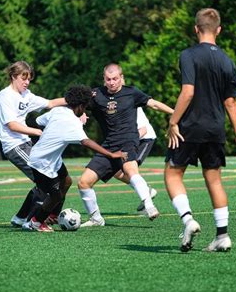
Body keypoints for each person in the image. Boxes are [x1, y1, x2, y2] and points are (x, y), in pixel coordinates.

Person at [164, 8, 236, 253]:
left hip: (190, 127)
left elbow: (188, 91)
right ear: (219, 30)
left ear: (196, 29)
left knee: (172, 175)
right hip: (215, 129)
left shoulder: (188, 55)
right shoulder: (227, 60)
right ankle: (222, 236)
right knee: (214, 179)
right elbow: (230, 102)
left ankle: (188, 220)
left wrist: (173, 122)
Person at [78, 63, 174, 227]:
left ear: (121, 78)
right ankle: (96, 219)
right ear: (104, 79)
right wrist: (81, 113)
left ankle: (149, 205)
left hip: (128, 140)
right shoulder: (96, 94)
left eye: (115, 79)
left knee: (130, 169)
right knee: (83, 182)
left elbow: (155, 104)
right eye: (108, 79)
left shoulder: (132, 93)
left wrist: (175, 113)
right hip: (108, 146)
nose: (112, 82)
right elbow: (77, 105)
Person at [22, 85, 126, 232]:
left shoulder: (57, 111)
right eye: (85, 107)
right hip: (41, 163)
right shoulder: (72, 123)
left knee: (67, 182)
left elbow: (39, 120)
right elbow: (86, 142)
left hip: (52, 159)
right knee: (55, 196)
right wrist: (111, 154)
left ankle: (52, 216)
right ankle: (35, 222)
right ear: (80, 106)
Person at [0, 61, 67, 227]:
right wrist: (36, 131)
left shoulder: (26, 95)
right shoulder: (5, 96)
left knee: (46, 181)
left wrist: (75, 98)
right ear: (13, 77)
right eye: (23, 78)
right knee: (46, 181)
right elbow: (11, 125)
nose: (27, 82)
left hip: (26, 143)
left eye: (29, 79)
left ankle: (21, 218)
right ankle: (31, 221)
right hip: (14, 146)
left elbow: (50, 103)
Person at [113, 107, 158, 212]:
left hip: (145, 139)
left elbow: (143, 130)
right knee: (116, 171)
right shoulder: (112, 104)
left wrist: (126, 143)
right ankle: (146, 191)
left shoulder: (131, 103)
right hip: (129, 142)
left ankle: (148, 203)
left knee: (130, 169)